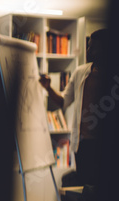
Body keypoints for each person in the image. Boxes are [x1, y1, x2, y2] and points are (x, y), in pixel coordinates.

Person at [39, 29, 108, 186]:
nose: (88, 51)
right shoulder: (80, 72)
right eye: (88, 46)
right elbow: (63, 102)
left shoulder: (118, 76)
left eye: (93, 47)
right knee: (84, 188)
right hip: (82, 144)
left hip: (105, 144)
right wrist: (48, 88)